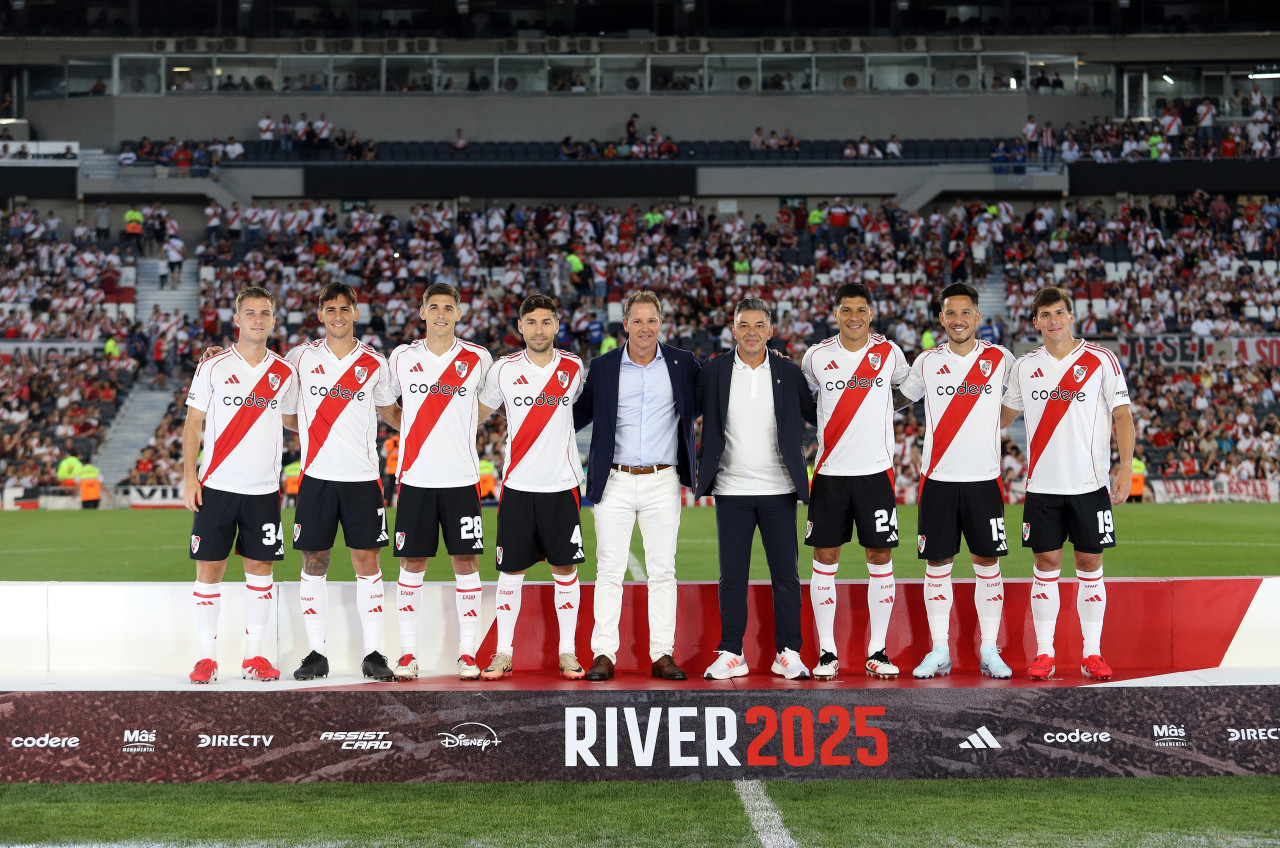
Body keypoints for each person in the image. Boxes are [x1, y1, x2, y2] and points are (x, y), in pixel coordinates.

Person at [1000, 286, 1134, 681]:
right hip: (1042, 486)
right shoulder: (1024, 366)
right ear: (1036, 322)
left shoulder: (1101, 359)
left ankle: (1092, 653)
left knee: (1090, 564)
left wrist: (1125, 468)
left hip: (1090, 485)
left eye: (1060, 313)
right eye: (1046, 315)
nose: (1054, 320)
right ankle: (1045, 654)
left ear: (1071, 317)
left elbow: (1123, 417)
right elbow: (1002, 416)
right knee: (1046, 564)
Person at [573, 290, 701, 682]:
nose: (646, 327)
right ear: (625, 324)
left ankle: (662, 654)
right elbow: (573, 417)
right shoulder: (604, 367)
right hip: (613, 480)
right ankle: (603, 654)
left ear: (661, 324)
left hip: (663, 480)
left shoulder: (683, 364)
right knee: (609, 569)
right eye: (638, 320)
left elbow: (716, 392)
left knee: (663, 571)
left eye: (652, 320)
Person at [894, 283, 1015, 680]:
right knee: (937, 563)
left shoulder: (1001, 358)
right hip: (939, 480)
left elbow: (1014, 404)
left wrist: (986, 432)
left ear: (977, 317)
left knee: (988, 563)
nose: (958, 320)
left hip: (984, 480)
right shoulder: (926, 361)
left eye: (966, 312)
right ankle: (939, 649)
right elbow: (895, 399)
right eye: (951, 313)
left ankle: (989, 650)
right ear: (942, 318)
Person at [183, 286, 300, 684]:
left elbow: (293, 420)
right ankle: (206, 658)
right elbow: (193, 423)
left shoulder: (284, 372)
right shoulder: (212, 366)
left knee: (260, 571)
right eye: (249, 313)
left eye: (264, 313)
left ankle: (255, 656)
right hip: (216, 485)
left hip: (264, 490)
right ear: (237, 320)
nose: (257, 319)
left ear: (272, 319)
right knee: (209, 570)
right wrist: (188, 477)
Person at [697, 298, 817, 681]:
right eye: (743, 325)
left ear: (770, 330)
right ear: (733, 329)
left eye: (758, 325)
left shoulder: (787, 370)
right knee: (732, 577)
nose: (751, 332)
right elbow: (687, 409)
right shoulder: (714, 371)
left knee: (786, 575)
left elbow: (816, 414)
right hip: (731, 490)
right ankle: (732, 652)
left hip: (779, 489)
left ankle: (788, 652)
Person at [800, 283, 910, 680]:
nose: (854, 317)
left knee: (880, 559)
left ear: (870, 313)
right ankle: (827, 652)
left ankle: (877, 650)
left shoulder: (889, 353)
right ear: (836, 314)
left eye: (861, 310)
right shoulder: (815, 357)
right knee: (825, 561)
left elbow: (907, 390)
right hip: (829, 474)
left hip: (875, 473)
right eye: (847, 310)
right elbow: (805, 401)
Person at [385, 283, 494, 681]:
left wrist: (461, 422)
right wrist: (415, 426)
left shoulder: (478, 358)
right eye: (434, 307)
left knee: (465, 561)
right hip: (415, 477)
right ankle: (408, 653)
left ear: (459, 313)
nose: (442, 314)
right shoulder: (401, 357)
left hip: (462, 478)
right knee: (413, 562)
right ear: (422, 313)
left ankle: (467, 653)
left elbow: (491, 403)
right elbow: (384, 402)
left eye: (449, 307)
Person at [477, 294, 587, 681]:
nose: (539, 329)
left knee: (565, 571)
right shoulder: (502, 370)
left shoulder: (573, 367)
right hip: (519, 487)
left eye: (546, 322)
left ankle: (568, 652)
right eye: (531, 322)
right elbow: (478, 412)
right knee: (510, 573)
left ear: (557, 325)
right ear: (520, 327)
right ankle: (503, 652)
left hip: (561, 488)